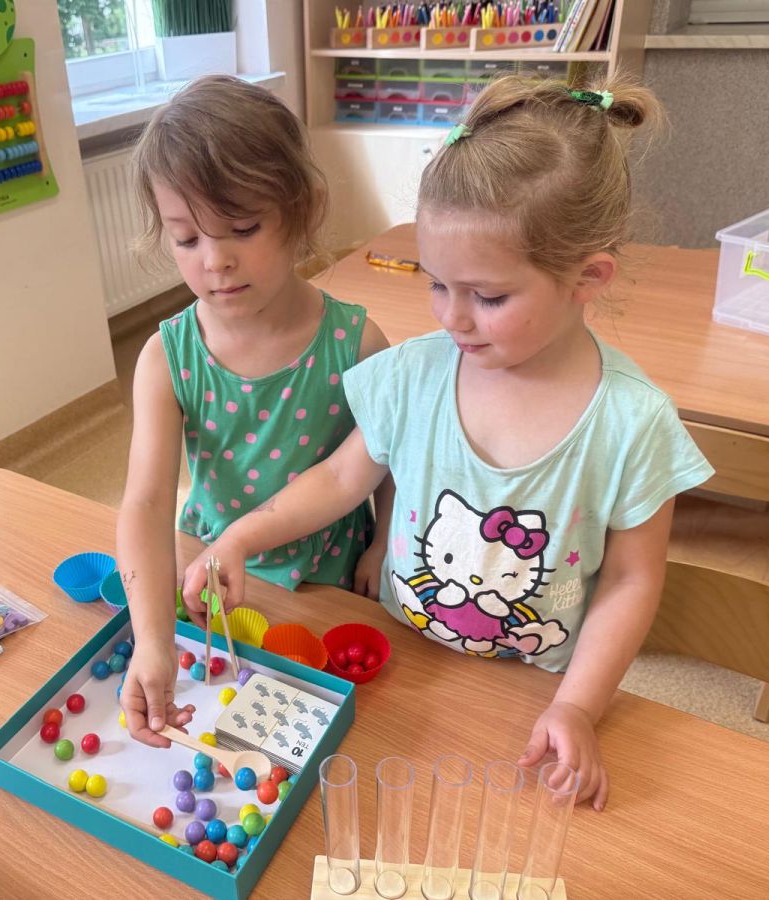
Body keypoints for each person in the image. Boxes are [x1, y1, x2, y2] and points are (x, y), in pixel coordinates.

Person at [182, 77, 713, 810]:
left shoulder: (633, 423)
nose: (452, 319)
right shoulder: (414, 375)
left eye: (487, 296)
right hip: (404, 657)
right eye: (436, 284)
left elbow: (630, 581)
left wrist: (578, 708)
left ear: (586, 278)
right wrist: (240, 536)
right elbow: (338, 480)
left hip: (530, 689)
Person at [118, 75, 392, 750]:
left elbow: (386, 462)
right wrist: (151, 639)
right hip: (210, 578)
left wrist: (383, 542)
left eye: (242, 228)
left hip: (326, 577)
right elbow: (145, 502)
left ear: (302, 210)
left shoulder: (357, 343)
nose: (215, 261)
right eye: (186, 239)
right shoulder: (165, 358)